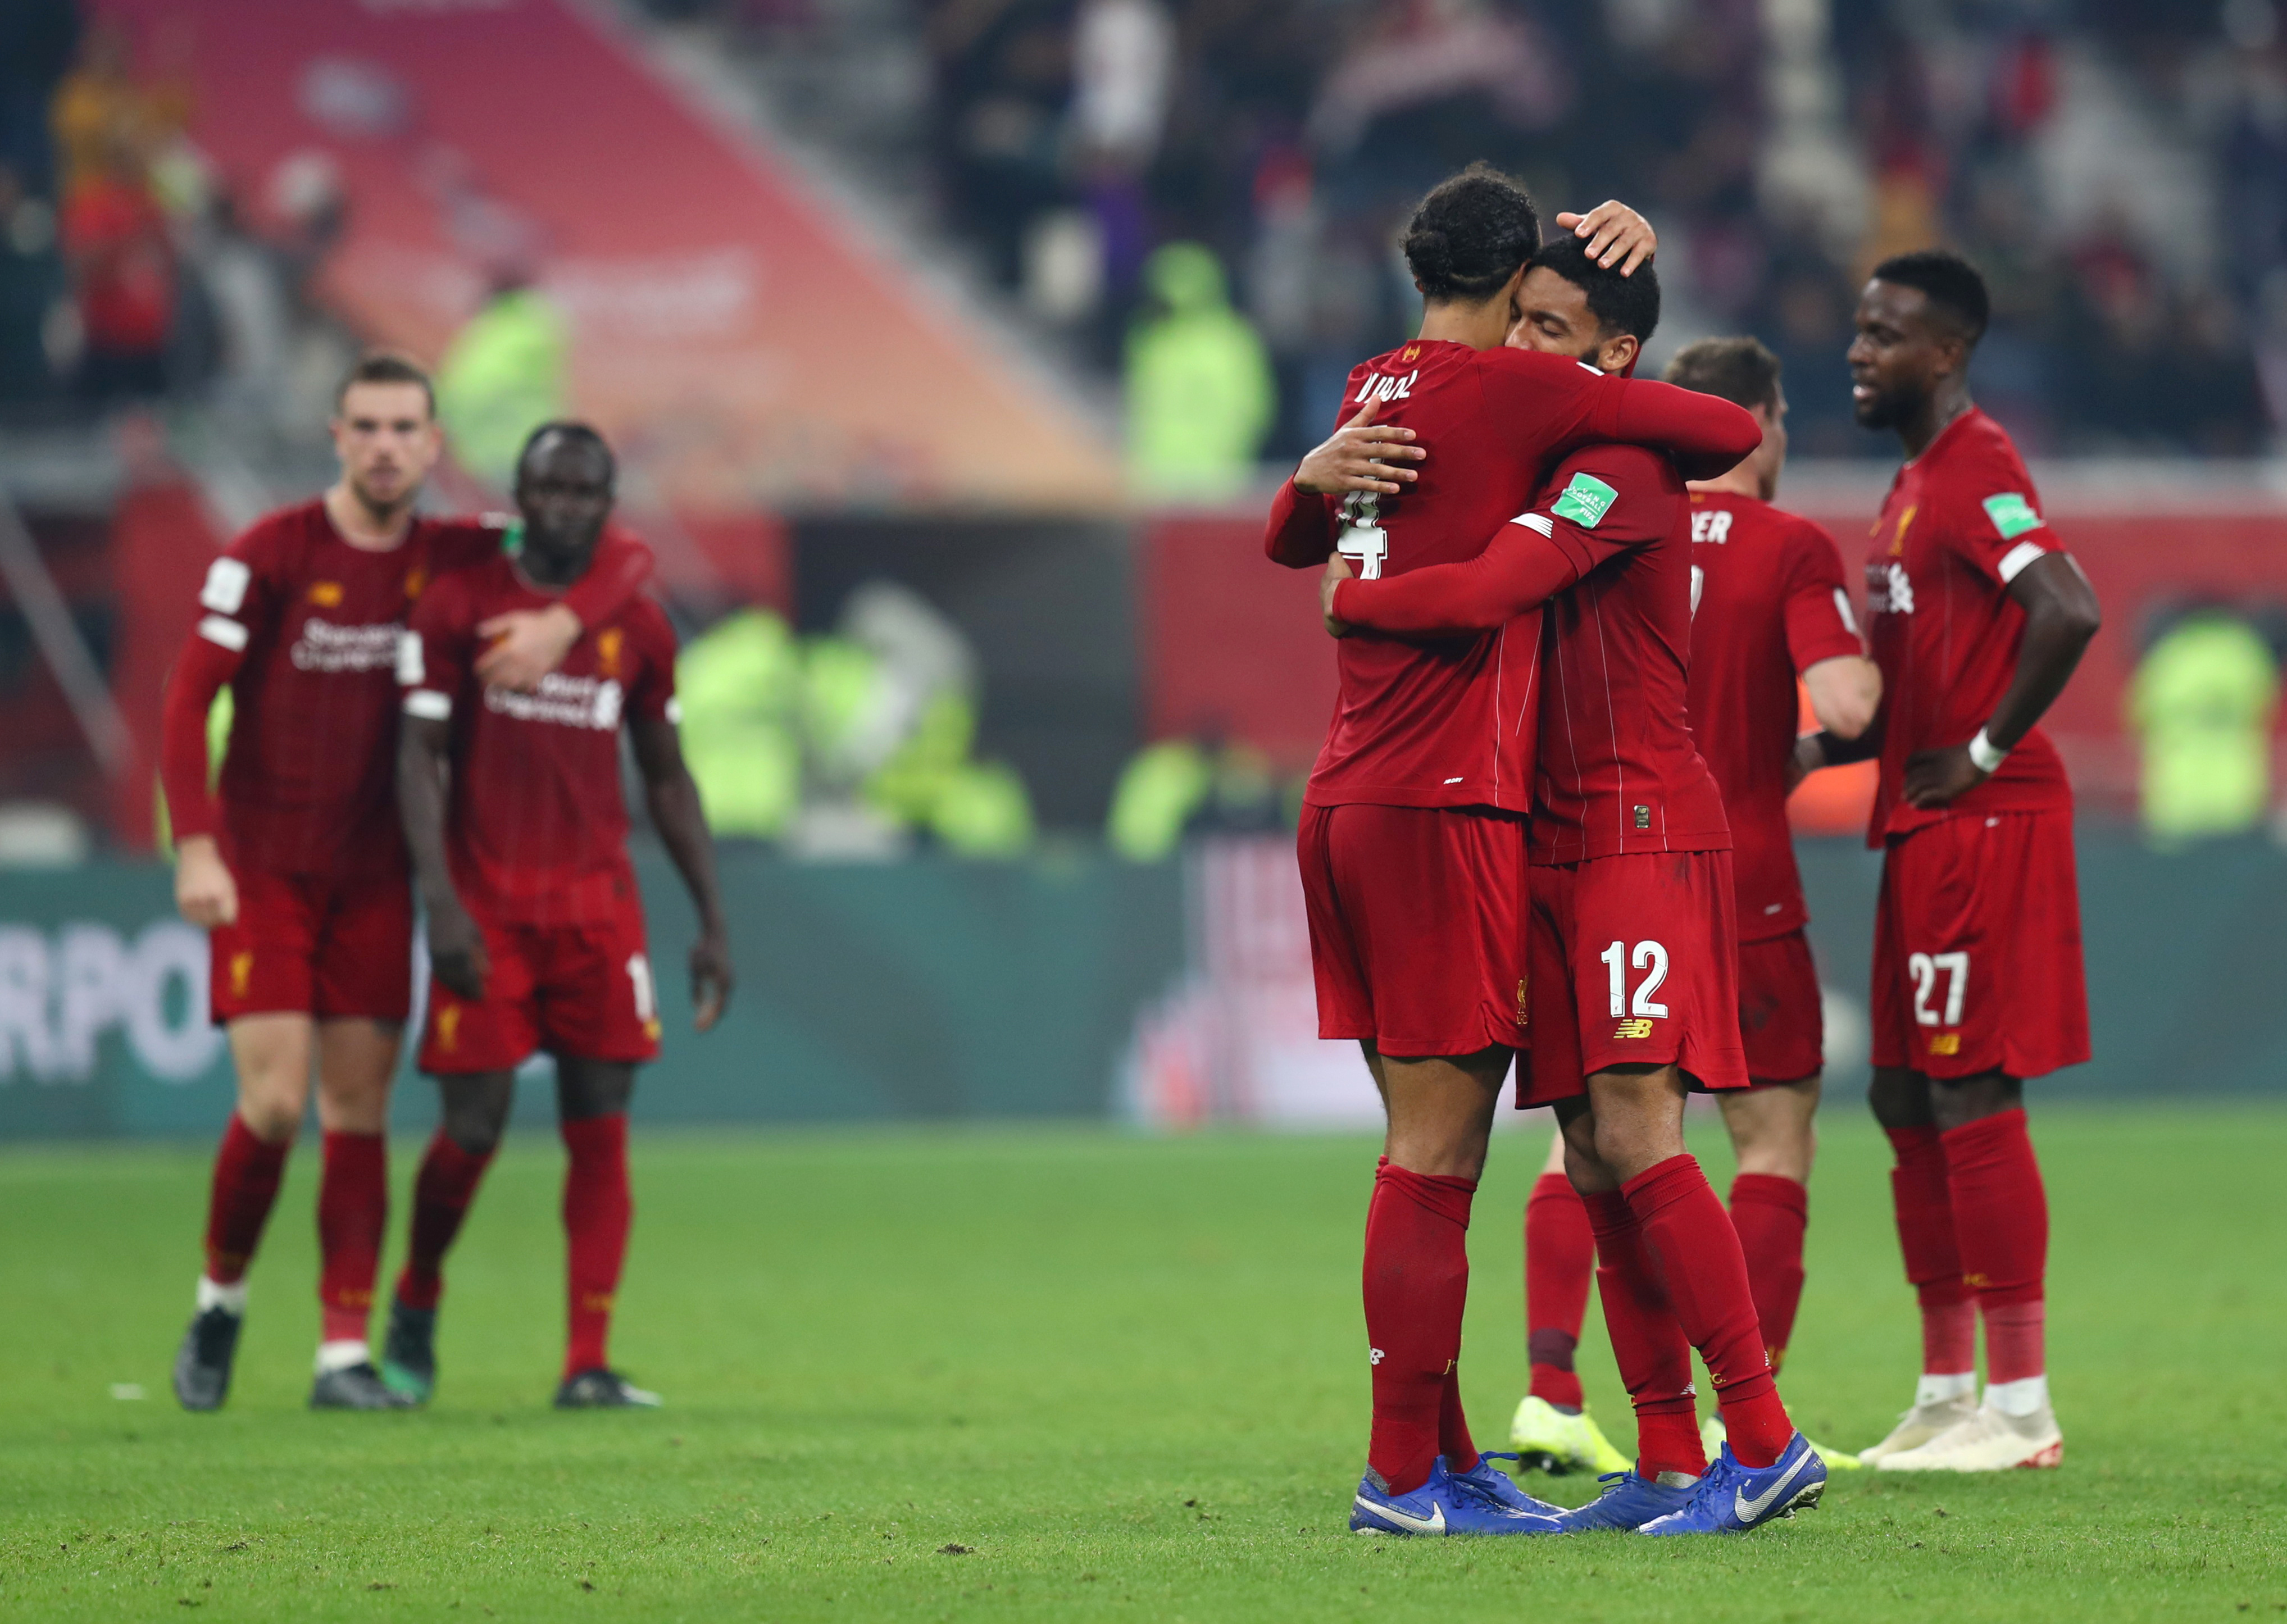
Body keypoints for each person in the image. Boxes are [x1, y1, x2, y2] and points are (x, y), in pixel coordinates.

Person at [1263, 163, 1763, 1536]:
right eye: (1525, 311)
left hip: (1384, 805)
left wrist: (1334, 548)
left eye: (1565, 324)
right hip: (1448, 814)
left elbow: (1292, 535)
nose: (1536, 340)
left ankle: (1497, 1459)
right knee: (1452, 1161)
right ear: (1499, 294)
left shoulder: (1375, 387)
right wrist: (1369, 596)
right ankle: (1408, 1481)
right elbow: (1716, 425)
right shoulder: (1517, 399)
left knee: (1522, 1148)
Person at [161, 353, 653, 1412]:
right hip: (265, 867)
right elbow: (185, 696)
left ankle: (343, 1353)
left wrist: (567, 622)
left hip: (377, 876)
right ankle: (222, 1297)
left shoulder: (456, 555)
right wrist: (194, 843)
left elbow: (628, 553)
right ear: (337, 437)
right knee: (279, 1102)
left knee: (359, 1113)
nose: (386, 447)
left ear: (434, 446)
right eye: (367, 427)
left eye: (405, 430)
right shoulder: (271, 552)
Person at [1504, 336, 1882, 1479]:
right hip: (1735, 876)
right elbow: (1848, 701)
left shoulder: (1605, 520)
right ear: (1760, 421)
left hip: (1592, 862)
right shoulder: (1786, 543)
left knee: (1594, 1136)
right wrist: (1804, 742)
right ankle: (1741, 1425)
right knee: (1767, 1143)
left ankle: (1553, 1390)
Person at [1817, 250, 2099, 1471]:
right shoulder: (1906, 490)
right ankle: (1945, 1391)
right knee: (1897, 1093)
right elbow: (1891, 695)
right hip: (1915, 823)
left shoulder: (1976, 462)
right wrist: (1780, 755)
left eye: (1882, 335)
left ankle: (2021, 1408)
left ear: (1943, 353)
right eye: (1858, 330)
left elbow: (2066, 605)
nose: (1857, 352)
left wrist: (1981, 749)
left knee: (1968, 1086)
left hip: (1979, 822)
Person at [388, 421, 733, 1409]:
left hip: (599, 916)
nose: (568, 508)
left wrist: (712, 918)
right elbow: (418, 755)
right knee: (474, 1129)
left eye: (587, 492)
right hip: (488, 911)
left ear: (607, 501)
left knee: (602, 1128)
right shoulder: (461, 604)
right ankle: (417, 1299)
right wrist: (440, 905)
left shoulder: (639, 626)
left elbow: (667, 778)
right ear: (520, 496)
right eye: (551, 489)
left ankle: (588, 1360)